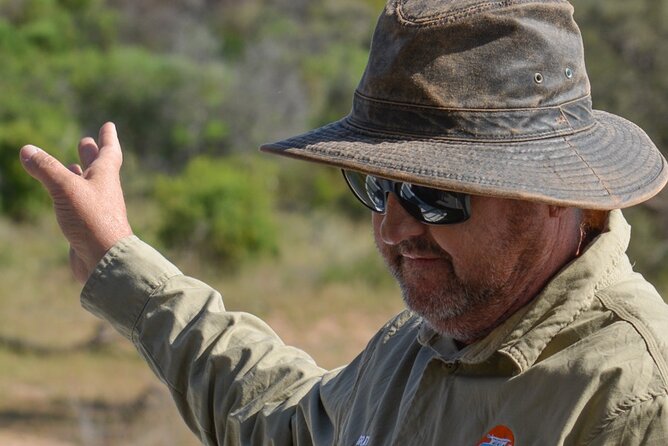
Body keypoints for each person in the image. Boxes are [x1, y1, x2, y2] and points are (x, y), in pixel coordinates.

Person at [18, 0, 668, 444]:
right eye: (377, 185)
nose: (391, 229)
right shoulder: (419, 345)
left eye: (433, 195)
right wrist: (121, 261)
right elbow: (283, 422)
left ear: (555, 191)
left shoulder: (633, 396)